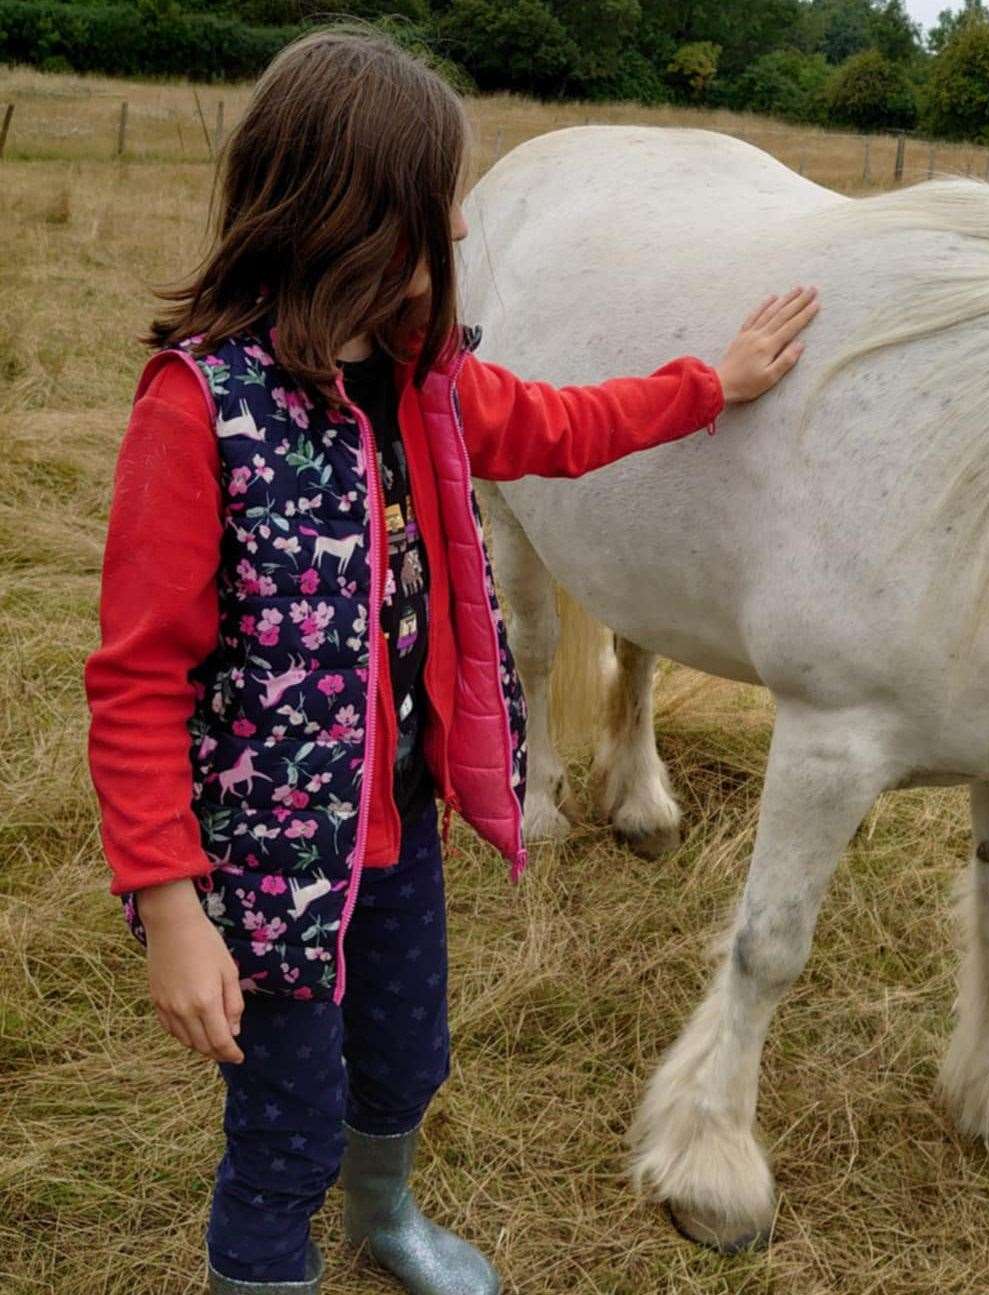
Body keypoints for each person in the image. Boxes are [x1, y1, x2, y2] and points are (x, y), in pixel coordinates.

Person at [83, 26, 818, 1295]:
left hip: (399, 826)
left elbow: (564, 423)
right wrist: (168, 906)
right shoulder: (200, 409)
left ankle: (386, 1212)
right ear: (357, 222)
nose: (465, 237)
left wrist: (715, 381)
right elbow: (138, 681)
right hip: (266, 865)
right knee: (283, 1127)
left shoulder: (423, 380)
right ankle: (270, 1262)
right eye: (443, 211)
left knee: (407, 1057)